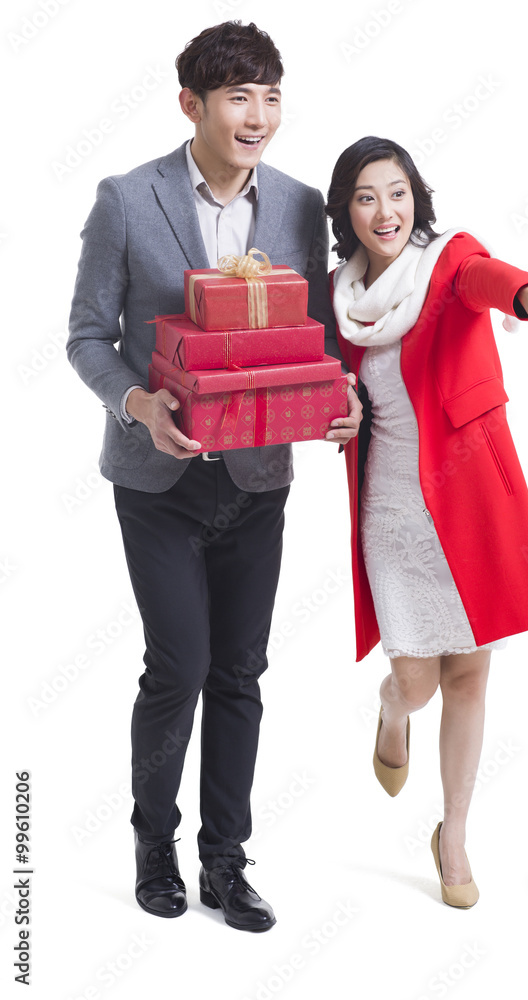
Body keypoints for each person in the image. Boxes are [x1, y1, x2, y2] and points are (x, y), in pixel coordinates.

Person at [67, 21, 361, 931]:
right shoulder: (127, 197)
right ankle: (153, 843)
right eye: (238, 96)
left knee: (239, 670)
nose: (258, 115)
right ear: (190, 103)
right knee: (179, 665)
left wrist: (338, 397)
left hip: (258, 479)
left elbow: (311, 337)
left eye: (270, 95)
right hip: (158, 480)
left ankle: (224, 864)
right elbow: (85, 336)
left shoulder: (300, 204)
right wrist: (138, 404)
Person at [325, 137, 528, 908]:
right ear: (347, 212)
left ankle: (453, 835)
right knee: (416, 679)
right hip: (391, 512)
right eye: (366, 197)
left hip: (467, 503)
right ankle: (390, 712)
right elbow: (324, 388)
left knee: (469, 676)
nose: (384, 211)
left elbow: (485, 278)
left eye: (396, 193)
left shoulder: (446, 263)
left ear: (416, 198)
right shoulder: (338, 299)